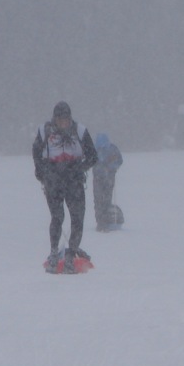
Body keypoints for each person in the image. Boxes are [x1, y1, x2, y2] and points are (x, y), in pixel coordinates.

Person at [32, 101, 98, 273]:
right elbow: (36, 152)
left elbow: (93, 156)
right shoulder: (44, 132)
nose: (64, 124)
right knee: (57, 216)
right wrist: (41, 172)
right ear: (54, 120)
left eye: (66, 120)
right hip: (53, 181)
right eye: (60, 121)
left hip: (73, 181)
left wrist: (77, 168)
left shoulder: (80, 131)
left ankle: (71, 252)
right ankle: (54, 252)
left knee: (77, 218)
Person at [93, 133, 123, 231]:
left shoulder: (111, 149)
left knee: (104, 199)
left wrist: (111, 167)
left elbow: (119, 161)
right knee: (100, 200)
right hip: (99, 178)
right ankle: (101, 222)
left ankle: (104, 221)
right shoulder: (96, 150)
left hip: (107, 178)